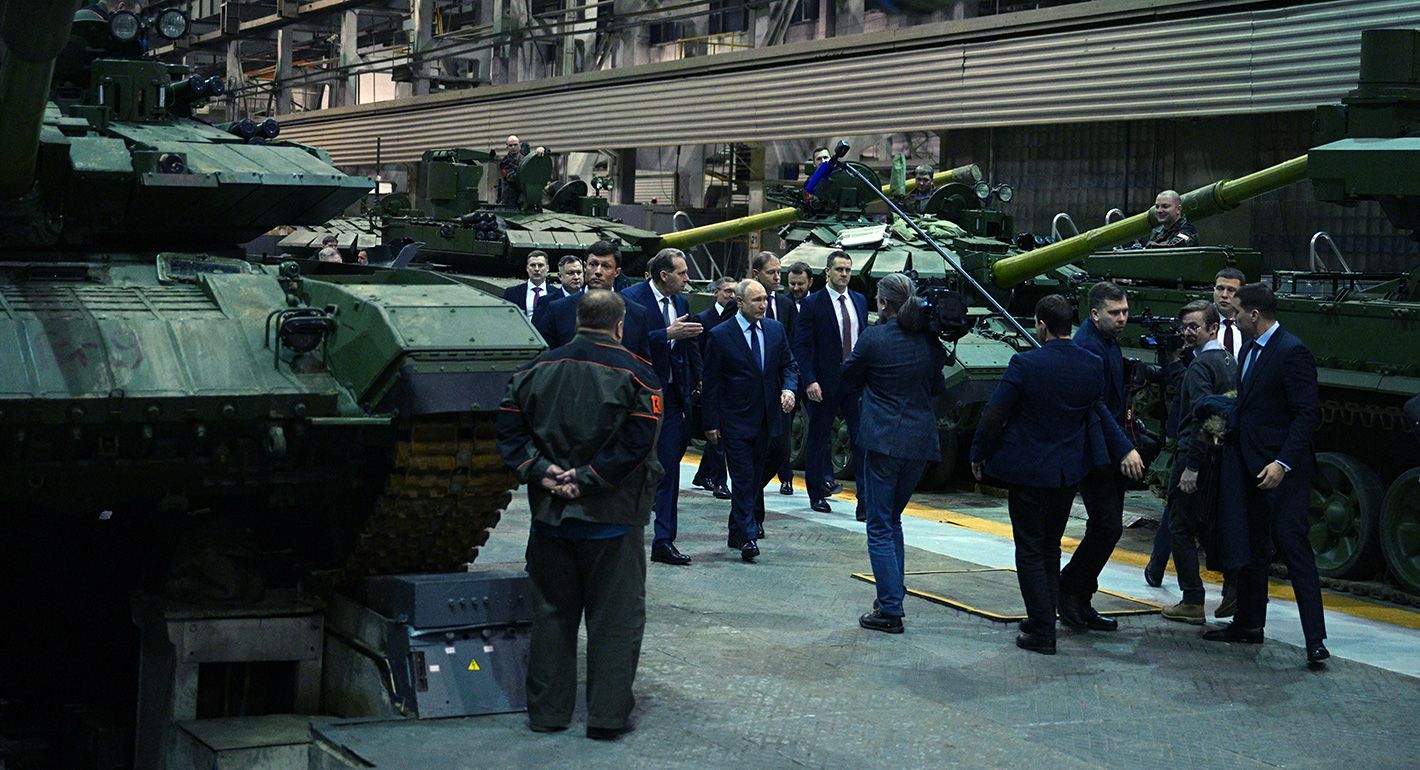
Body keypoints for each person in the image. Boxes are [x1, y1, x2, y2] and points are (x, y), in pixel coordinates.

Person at [494, 290, 663, 740]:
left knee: (551, 615)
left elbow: (508, 432)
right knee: (615, 620)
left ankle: (548, 713)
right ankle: (606, 717)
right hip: (612, 519)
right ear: (620, 324)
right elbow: (638, 444)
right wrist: (586, 478)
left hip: (551, 517)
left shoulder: (534, 370)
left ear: (576, 320)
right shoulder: (638, 375)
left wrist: (544, 472)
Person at [970, 295, 1131, 655]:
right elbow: (1096, 411)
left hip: (1028, 472)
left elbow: (995, 414)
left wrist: (978, 454)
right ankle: (1045, 613)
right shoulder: (1091, 364)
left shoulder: (1025, 363)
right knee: (1050, 546)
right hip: (1067, 473)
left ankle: (1042, 629)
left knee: (1028, 549)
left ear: (1041, 324)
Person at [1204, 283, 1329, 668]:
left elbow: (1307, 415)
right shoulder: (1250, 352)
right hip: (1249, 467)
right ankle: (1248, 624)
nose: (1233, 317)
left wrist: (1282, 464)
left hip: (1282, 472)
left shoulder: (1292, 352)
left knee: (1294, 550)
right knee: (1254, 548)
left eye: (1237, 311)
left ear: (1254, 315)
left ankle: (1315, 641)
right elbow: (1250, 406)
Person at [841, 273, 947, 634]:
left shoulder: (875, 339)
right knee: (893, 520)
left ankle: (890, 609)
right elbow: (937, 387)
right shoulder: (930, 343)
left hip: (884, 442)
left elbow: (848, 377)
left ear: (884, 304)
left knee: (879, 524)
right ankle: (893, 593)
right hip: (920, 444)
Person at [1060, 281, 1145, 632]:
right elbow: (1095, 406)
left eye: (1125, 312)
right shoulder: (1088, 348)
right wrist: (1123, 447)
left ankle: (1080, 597)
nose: (1123, 318)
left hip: (1108, 447)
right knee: (1107, 526)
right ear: (1094, 314)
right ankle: (1069, 589)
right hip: (1095, 451)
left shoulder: (1107, 341)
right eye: (1115, 313)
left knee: (1106, 527)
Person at [1152, 301, 1238, 624]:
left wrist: (1192, 465)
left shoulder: (1201, 368)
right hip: (1219, 457)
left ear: (1213, 328)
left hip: (1196, 456)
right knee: (1210, 526)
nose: (1187, 333)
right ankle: (1232, 587)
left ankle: (1191, 600)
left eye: (1194, 327)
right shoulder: (1230, 360)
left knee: (1179, 525)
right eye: (1184, 326)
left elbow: (1204, 416)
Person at [701, 280, 798, 563]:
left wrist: (789, 388)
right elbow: (712, 384)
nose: (762, 305)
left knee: (757, 476)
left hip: (768, 418)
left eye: (765, 300)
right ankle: (748, 535)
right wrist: (710, 423)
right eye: (755, 300)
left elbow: (789, 365)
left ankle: (736, 528)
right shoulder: (720, 335)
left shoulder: (775, 330)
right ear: (740, 303)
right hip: (735, 420)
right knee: (743, 478)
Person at [621, 249, 704, 566]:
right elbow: (627, 344)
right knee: (632, 467)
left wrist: (697, 381)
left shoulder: (681, 303)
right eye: (682, 273)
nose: (687, 278)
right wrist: (666, 334)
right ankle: (624, 535)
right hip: (637, 396)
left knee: (668, 468)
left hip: (671, 397)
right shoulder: (632, 298)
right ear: (663, 275)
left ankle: (664, 541)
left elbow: (688, 346)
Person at [793, 250, 868, 518]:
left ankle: (864, 501)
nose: (844, 274)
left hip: (854, 384)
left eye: (848, 269)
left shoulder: (859, 301)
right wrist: (810, 380)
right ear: (828, 271)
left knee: (861, 440)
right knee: (819, 439)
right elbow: (801, 346)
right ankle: (816, 493)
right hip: (823, 385)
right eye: (839, 269)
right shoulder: (814, 304)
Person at [534, 241, 650, 361]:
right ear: (585, 267)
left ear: (617, 272)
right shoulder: (558, 310)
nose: (598, 271)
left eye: (606, 266)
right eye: (593, 264)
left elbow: (643, 363)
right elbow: (545, 359)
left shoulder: (636, 313)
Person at [751, 252, 799, 496]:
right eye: (771, 272)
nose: (777, 276)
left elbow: (791, 346)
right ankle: (750, 497)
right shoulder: (737, 306)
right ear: (756, 274)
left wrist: (790, 385)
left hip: (779, 389)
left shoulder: (785, 304)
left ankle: (774, 480)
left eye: (779, 271)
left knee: (781, 445)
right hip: (750, 390)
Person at [691, 277, 739, 500]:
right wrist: (700, 379)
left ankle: (704, 474)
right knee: (716, 434)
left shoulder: (736, 316)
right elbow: (697, 352)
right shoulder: (703, 318)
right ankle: (720, 480)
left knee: (719, 436)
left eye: (734, 292)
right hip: (712, 382)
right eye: (727, 291)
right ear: (717, 292)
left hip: (729, 384)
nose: (730, 295)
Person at [503, 251, 553, 320]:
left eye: (540, 265)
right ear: (527, 268)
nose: (536, 269)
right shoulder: (511, 293)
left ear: (547, 268)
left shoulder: (557, 294)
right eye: (533, 265)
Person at [498, 135, 546, 206]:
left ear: (519, 145)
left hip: (528, 194)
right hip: (511, 197)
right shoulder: (504, 163)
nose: (513, 147)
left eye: (515, 144)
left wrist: (542, 149)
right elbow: (511, 178)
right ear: (507, 147)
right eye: (510, 145)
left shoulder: (525, 156)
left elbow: (543, 157)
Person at [1213, 267, 1246, 358]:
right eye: (1220, 288)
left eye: (1231, 290)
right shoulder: (1203, 322)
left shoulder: (1250, 325)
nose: (1224, 295)